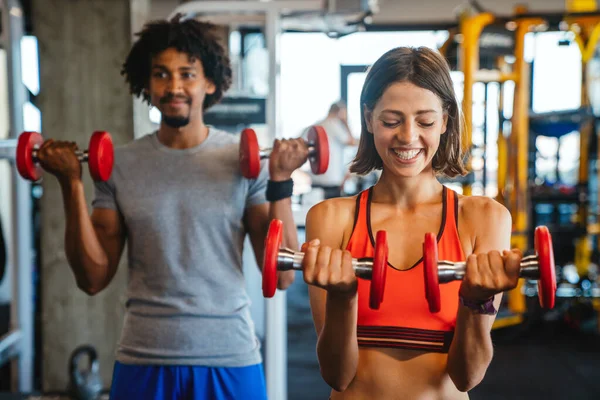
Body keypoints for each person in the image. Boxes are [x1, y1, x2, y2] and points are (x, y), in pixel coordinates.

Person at [35, 15, 307, 400]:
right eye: (161, 74)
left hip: (229, 356)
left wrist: (280, 180)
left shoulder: (244, 162)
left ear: (209, 82)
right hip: (143, 356)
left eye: (187, 74)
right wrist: (71, 184)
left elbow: (281, 276)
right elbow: (92, 278)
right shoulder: (120, 165)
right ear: (146, 84)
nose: (174, 86)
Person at [302, 46, 521, 399]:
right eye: (391, 121)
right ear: (369, 118)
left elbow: (467, 376)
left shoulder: (485, 219)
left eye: (425, 121)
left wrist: (475, 301)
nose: (407, 136)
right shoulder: (331, 219)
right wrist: (344, 297)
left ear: (446, 120)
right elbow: (337, 374)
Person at [310, 101, 358, 199]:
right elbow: (352, 142)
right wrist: (346, 122)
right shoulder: (334, 124)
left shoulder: (317, 125)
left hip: (315, 180)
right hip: (332, 181)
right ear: (340, 112)